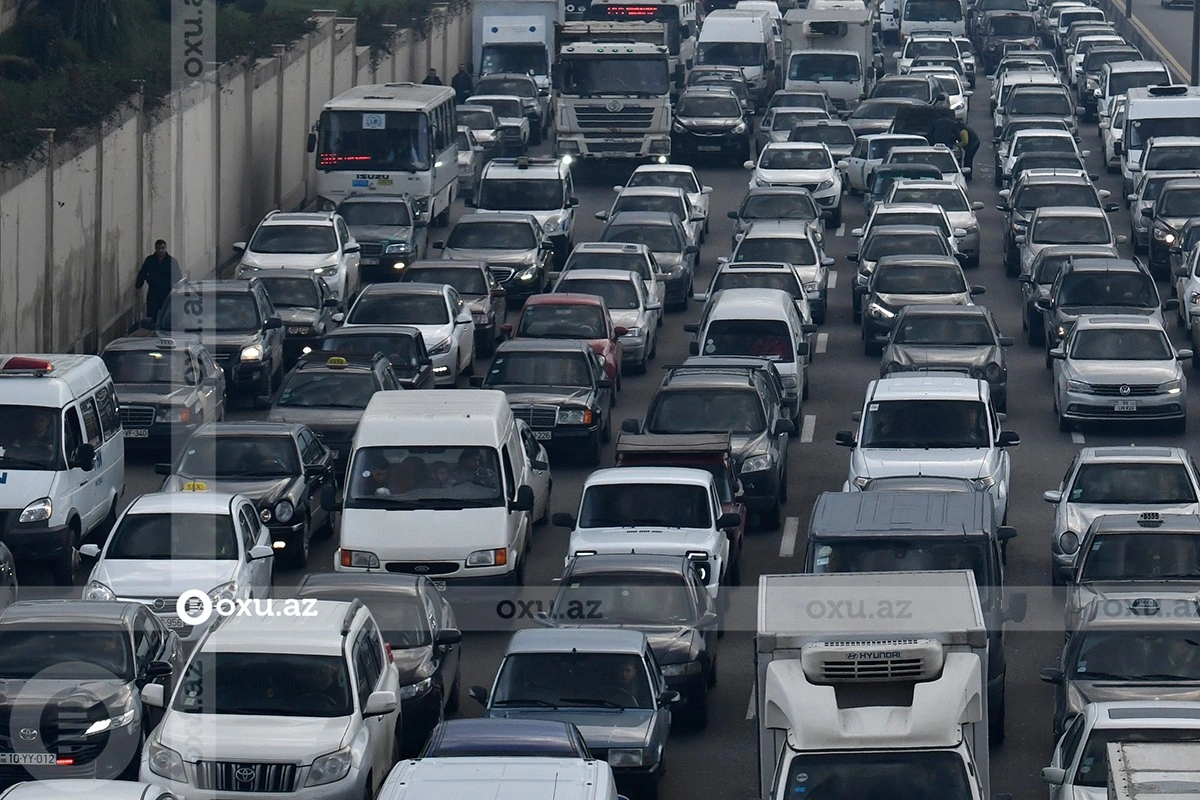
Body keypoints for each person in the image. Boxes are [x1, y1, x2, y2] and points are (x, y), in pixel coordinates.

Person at [136, 240, 183, 323]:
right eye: (158, 248)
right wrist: (138, 286)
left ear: (165, 248)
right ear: (155, 248)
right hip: (153, 291)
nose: (160, 250)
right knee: (153, 313)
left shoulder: (171, 261)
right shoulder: (150, 260)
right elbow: (142, 273)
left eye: (162, 248)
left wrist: (179, 289)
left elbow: (177, 276)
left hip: (167, 291)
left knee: (167, 313)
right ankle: (154, 327)